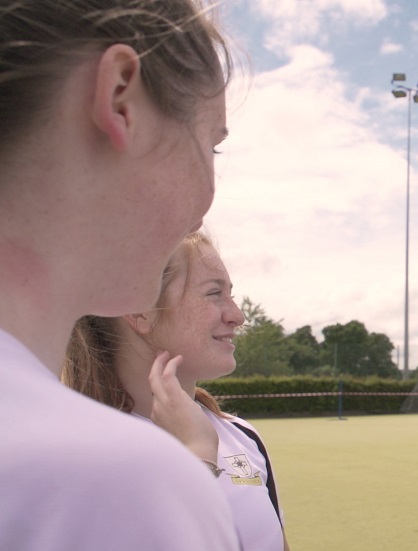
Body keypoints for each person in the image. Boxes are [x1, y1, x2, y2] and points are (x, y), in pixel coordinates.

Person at [0, 1, 240, 549]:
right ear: (120, 97)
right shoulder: (120, 482)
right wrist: (191, 472)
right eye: (212, 145)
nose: (204, 207)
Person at [64, 232, 290, 551]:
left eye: (231, 295)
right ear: (141, 310)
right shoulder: (74, 456)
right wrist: (198, 455)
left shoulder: (243, 437)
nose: (237, 315)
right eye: (214, 294)